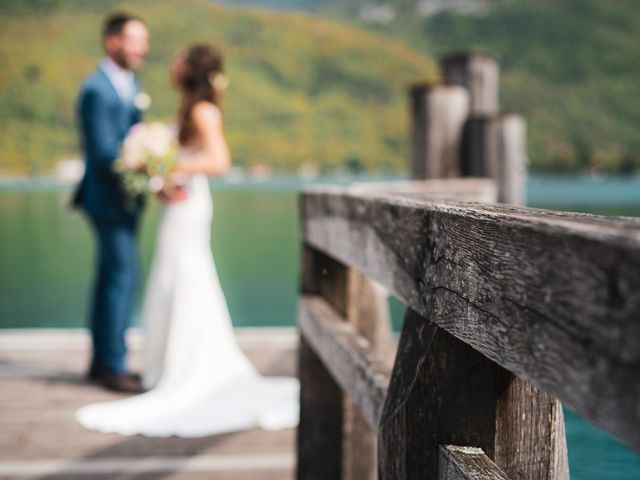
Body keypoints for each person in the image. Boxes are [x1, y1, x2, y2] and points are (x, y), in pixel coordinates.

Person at [76, 44, 299, 437]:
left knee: (187, 276)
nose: (171, 63)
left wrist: (167, 165)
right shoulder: (188, 108)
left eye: (178, 59)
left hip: (191, 207)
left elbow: (218, 160)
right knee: (171, 277)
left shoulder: (203, 111)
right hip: (177, 203)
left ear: (191, 69)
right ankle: (165, 366)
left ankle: (187, 366)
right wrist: (161, 178)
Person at [74, 13, 152, 393]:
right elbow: (105, 152)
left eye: (144, 41)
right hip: (107, 201)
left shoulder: (127, 84)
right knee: (122, 279)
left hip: (123, 202)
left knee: (111, 278)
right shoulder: (97, 90)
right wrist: (151, 168)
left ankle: (101, 359)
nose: (143, 48)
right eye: (135, 40)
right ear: (112, 42)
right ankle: (113, 365)